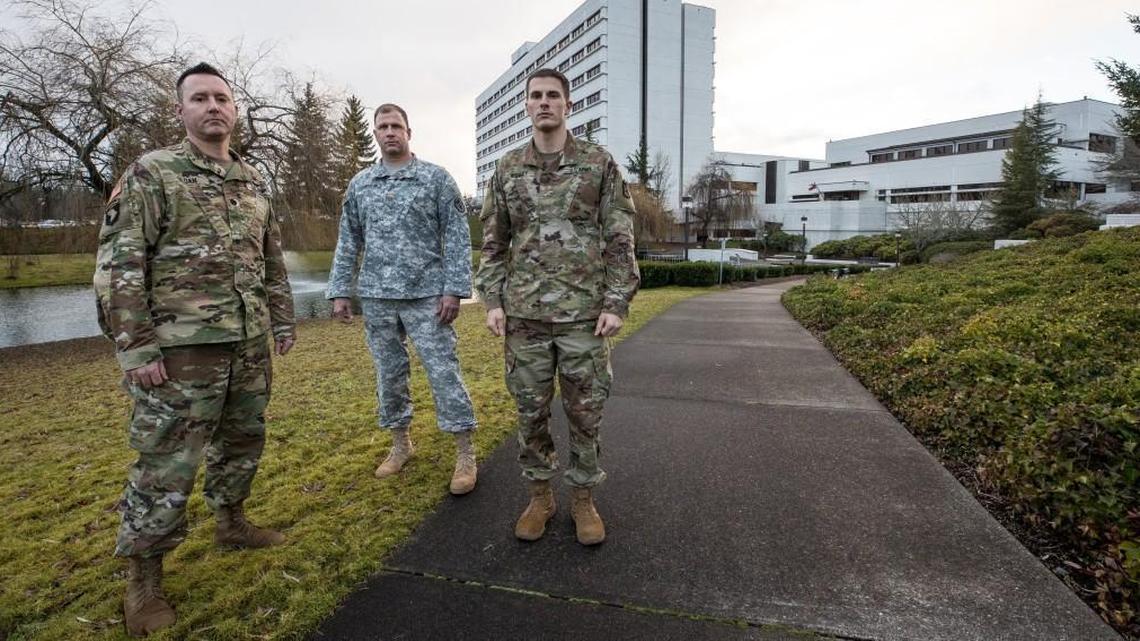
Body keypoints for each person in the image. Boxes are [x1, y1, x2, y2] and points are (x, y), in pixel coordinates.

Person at [93, 62, 296, 637]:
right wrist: (136, 349)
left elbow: (270, 259)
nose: (213, 107)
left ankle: (231, 522)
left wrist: (281, 321)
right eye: (200, 98)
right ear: (181, 110)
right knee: (166, 462)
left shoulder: (251, 179)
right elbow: (119, 267)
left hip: (249, 343)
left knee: (242, 441)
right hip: (180, 352)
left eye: (222, 98)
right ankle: (144, 578)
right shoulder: (151, 174)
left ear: (235, 110)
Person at [474, 68, 640, 545]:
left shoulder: (598, 163)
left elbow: (619, 235)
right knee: (530, 412)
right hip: (523, 317)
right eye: (535, 96)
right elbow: (493, 243)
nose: (544, 102)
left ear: (568, 105)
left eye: (552, 96)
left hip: (585, 315)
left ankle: (584, 498)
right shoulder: (507, 169)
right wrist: (492, 300)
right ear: (526, 106)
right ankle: (540, 496)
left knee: (585, 412)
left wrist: (616, 300)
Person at [327, 103, 478, 495]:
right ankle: (400, 444)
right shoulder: (361, 184)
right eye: (382, 126)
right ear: (375, 133)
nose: (390, 132)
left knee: (443, 372)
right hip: (377, 296)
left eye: (396, 126)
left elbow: (458, 238)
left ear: (409, 131)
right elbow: (349, 240)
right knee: (388, 374)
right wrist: (341, 290)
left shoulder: (435, 179)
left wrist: (454, 289)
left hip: (427, 294)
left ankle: (465, 452)